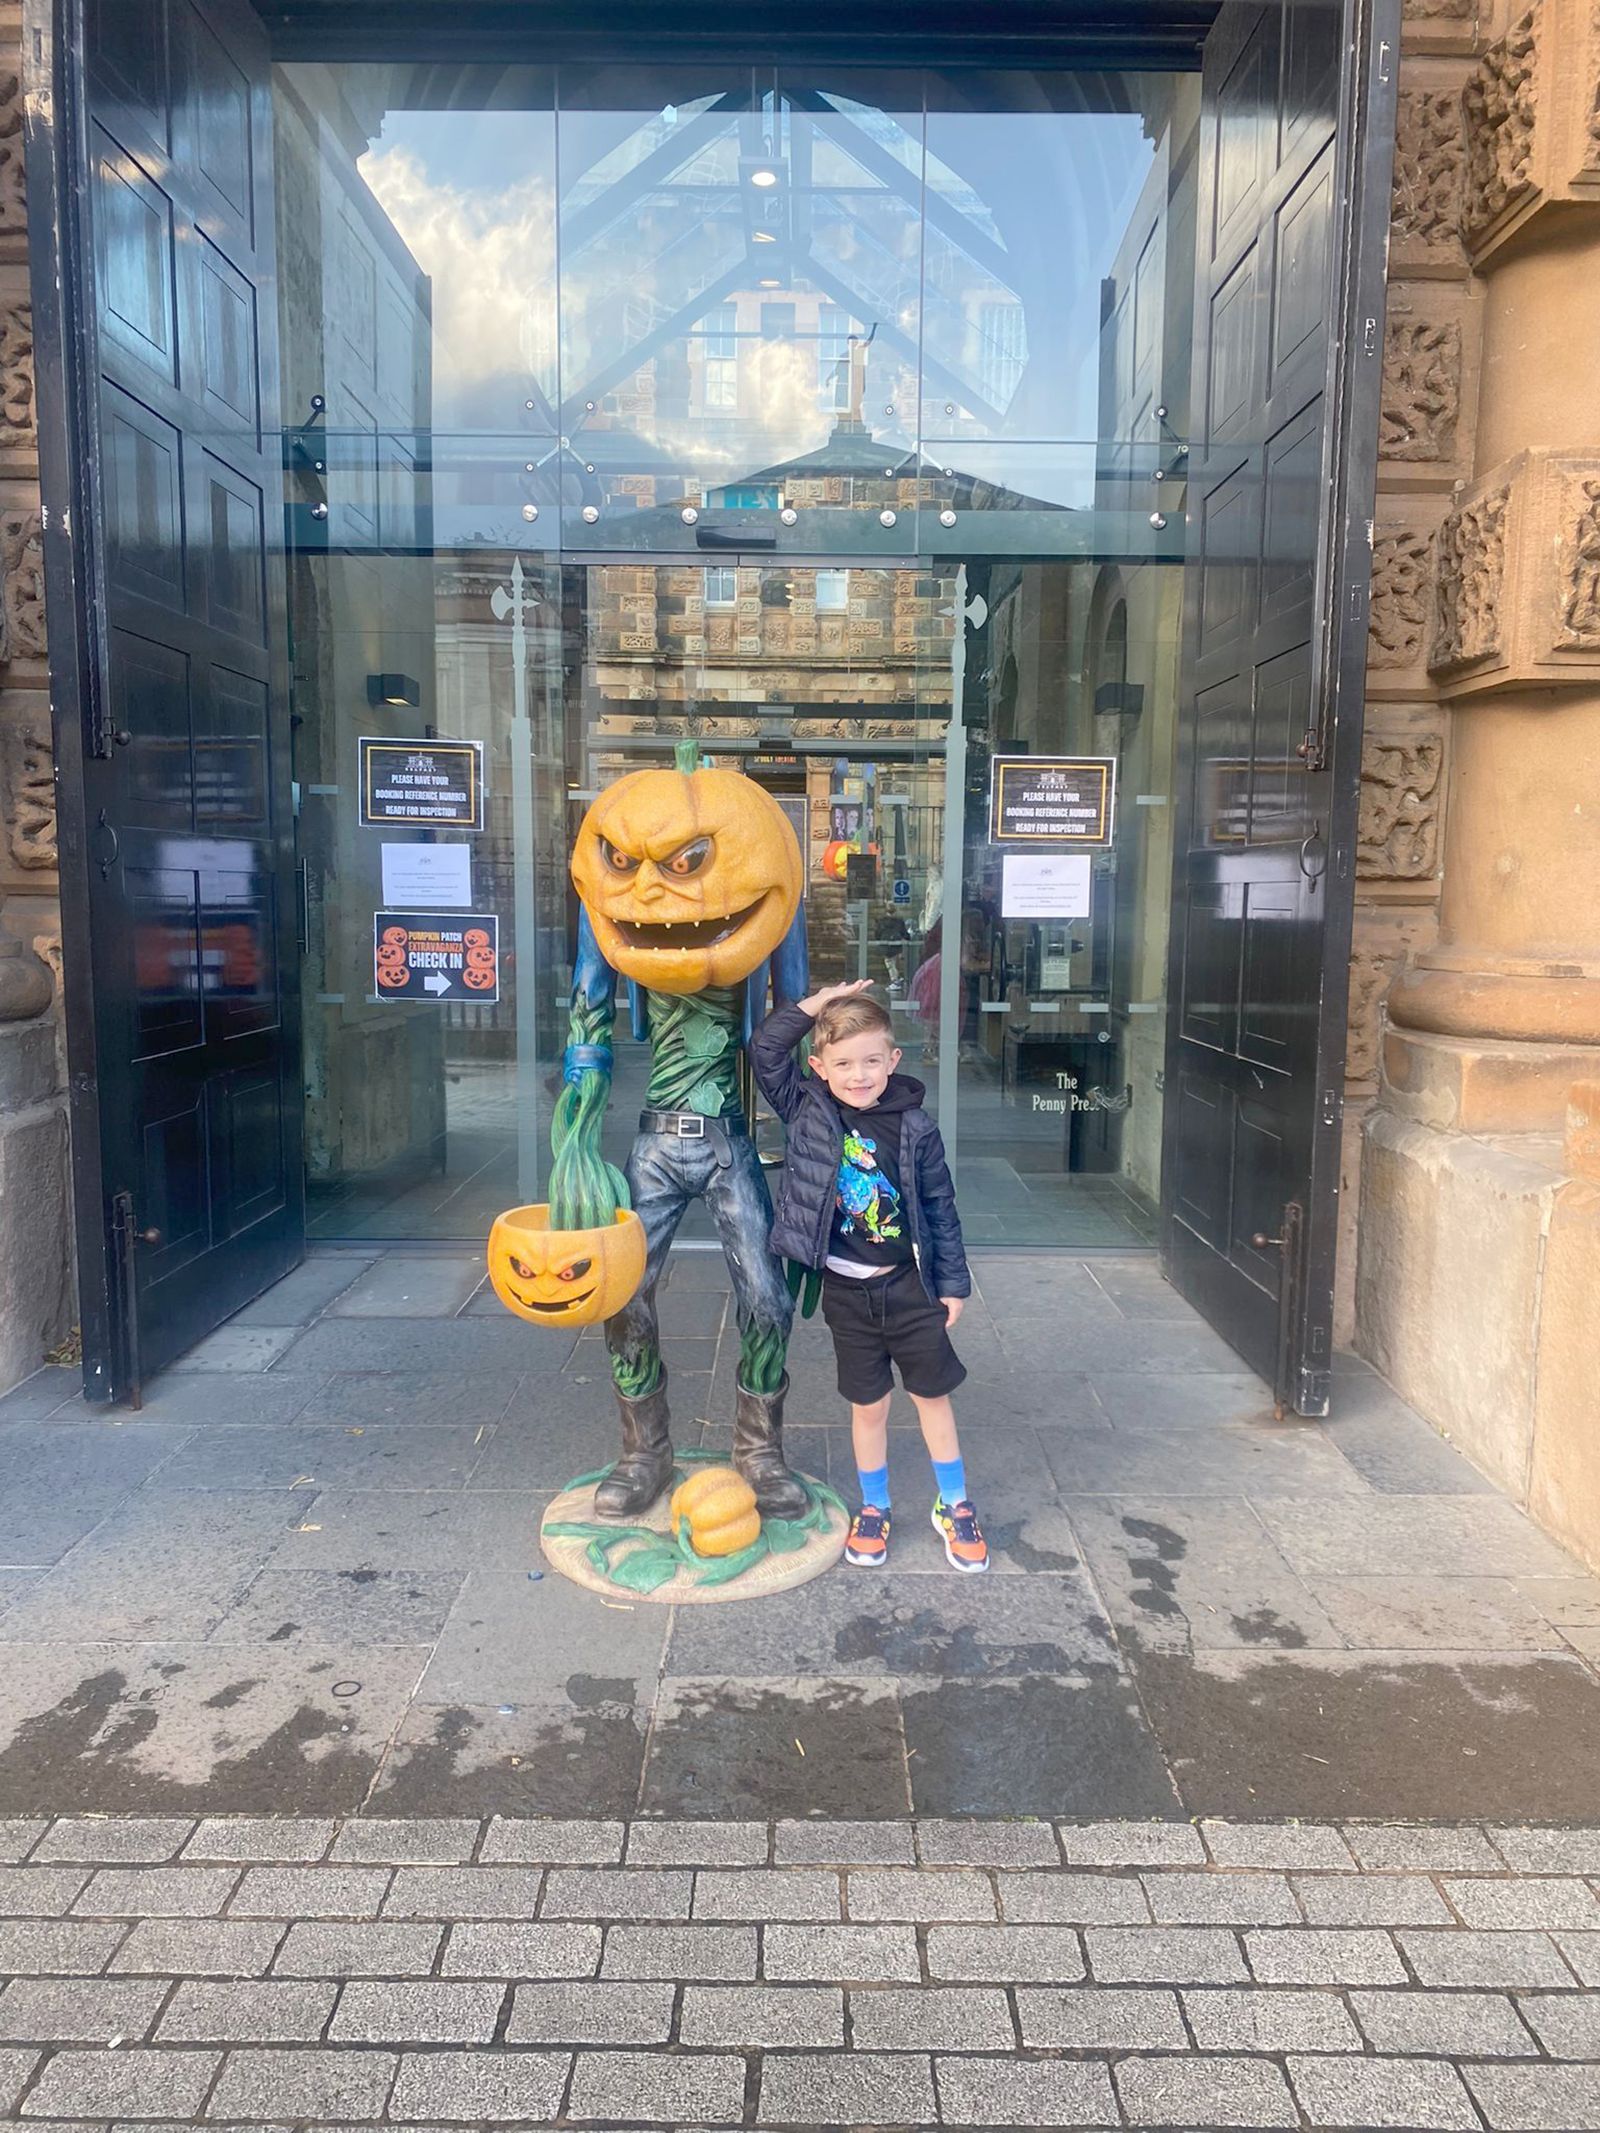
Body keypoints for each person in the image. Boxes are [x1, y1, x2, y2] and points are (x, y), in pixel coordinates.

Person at [750, 979, 988, 1573]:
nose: (859, 1075)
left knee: (931, 1395)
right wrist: (817, 1002)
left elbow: (939, 1207)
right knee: (869, 1403)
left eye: (872, 1061)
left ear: (894, 1060)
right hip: (845, 1290)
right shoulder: (806, 1109)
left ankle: (954, 1504)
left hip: (909, 1286)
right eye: (844, 1063)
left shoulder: (916, 1128)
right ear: (820, 1066)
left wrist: (953, 1283)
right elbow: (764, 1050)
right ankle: (874, 1506)